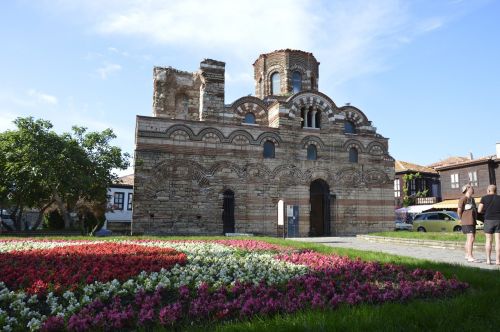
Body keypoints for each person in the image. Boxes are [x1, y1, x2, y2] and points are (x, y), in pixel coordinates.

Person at [478, 184, 500, 265]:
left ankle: (488, 260)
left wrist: (486, 211)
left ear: (488, 190)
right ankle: (498, 260)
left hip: (488, 220)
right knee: (498, 241)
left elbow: (479, 210)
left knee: (488, 240)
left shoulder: (484, 198)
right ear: (495, 191)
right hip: (498, 220)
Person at [457, 184, 477, 262]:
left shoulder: (472, 199)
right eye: (472, 188)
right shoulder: (463, 198)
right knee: (471, 238)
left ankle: (467, 254)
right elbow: (459, 210)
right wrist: (461, 218)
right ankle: (470, 256)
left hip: (472, 221)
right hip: (467, 221)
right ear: (468, 189)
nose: (473, 189)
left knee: (470, 238)